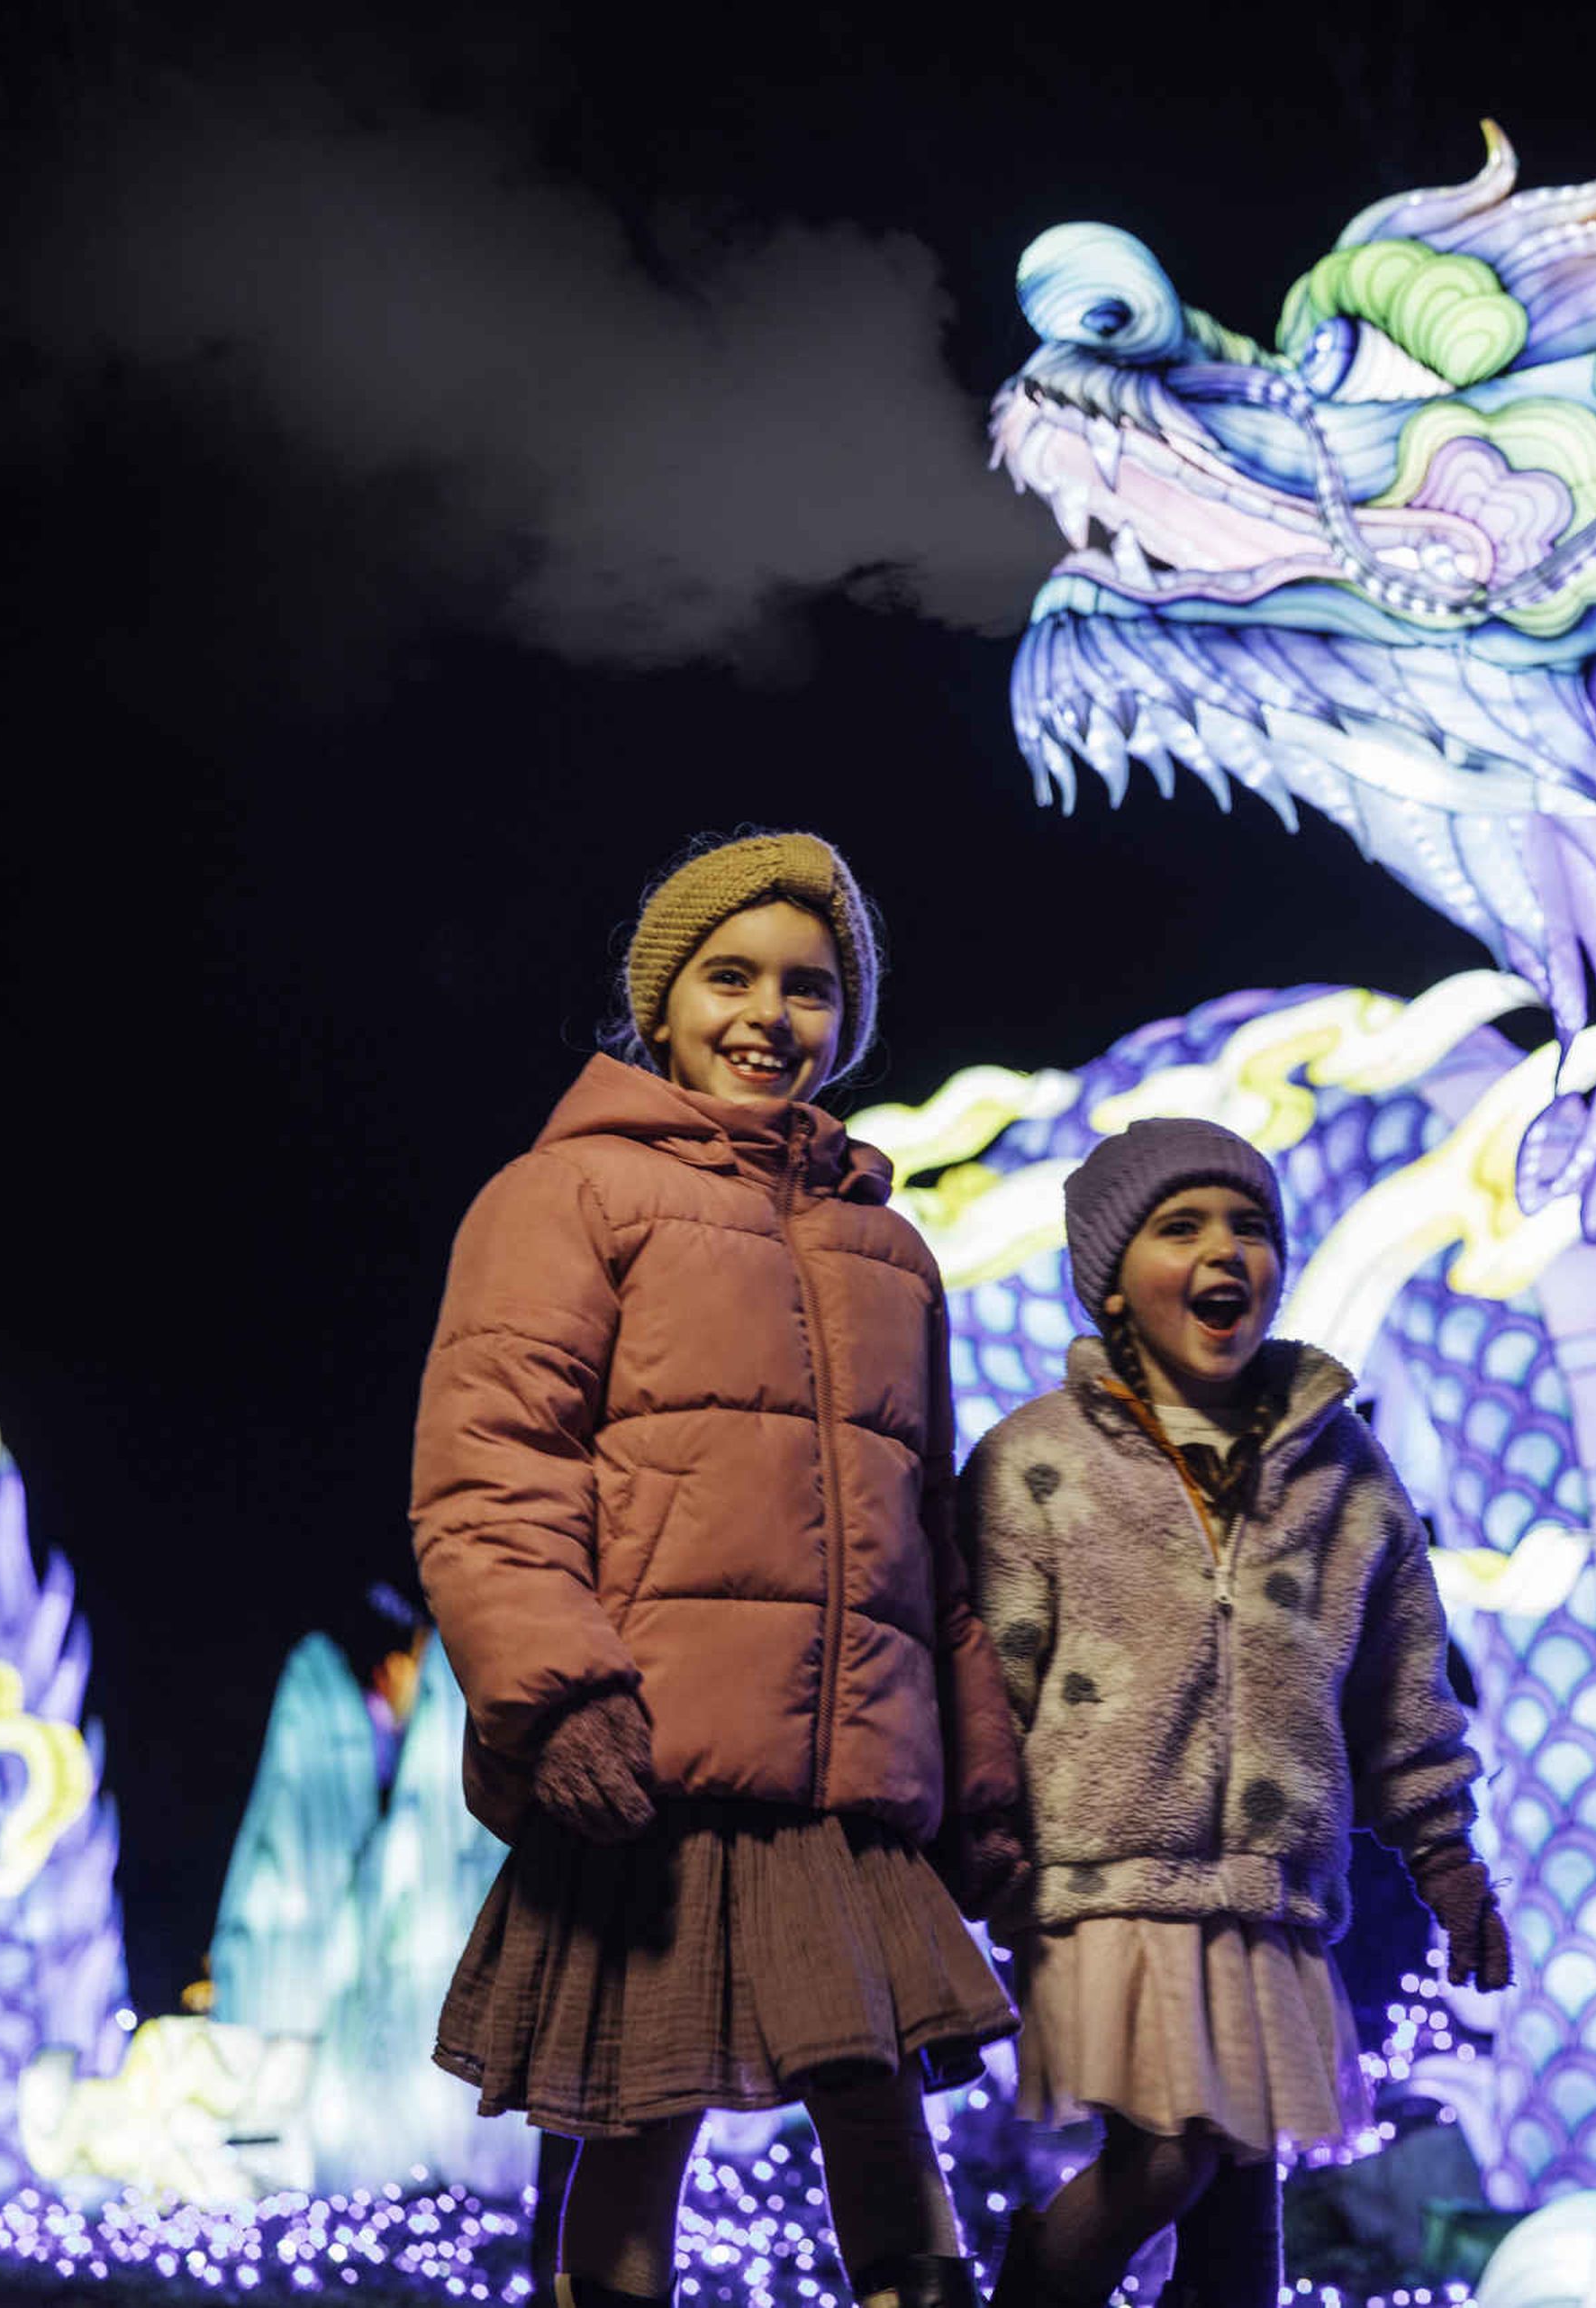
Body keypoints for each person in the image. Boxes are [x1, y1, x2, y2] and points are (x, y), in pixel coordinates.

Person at [411, 831, 1026, 2308]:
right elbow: (493, 1467)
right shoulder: (567, 1195)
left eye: (808, 986)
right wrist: (559, 1696)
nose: (768, 1013)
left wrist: (985, 1785)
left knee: (877, 2099)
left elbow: (929, 1543)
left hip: (848, 1787)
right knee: (639, 2113)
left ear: (845, 1019)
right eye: (729, 976)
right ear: (663, 1002)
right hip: (657, 1757)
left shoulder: (890, 1252)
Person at [962, 1117, 1515, 2308]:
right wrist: (983, 1845)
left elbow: (1402, 1682)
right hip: (1105, 1877)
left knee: (1239, 2202)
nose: (1225, 1248)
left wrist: (1448, 1860)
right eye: (1182, 1226)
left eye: (1250, 1225)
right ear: (1114, 1281)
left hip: (1271, 1888)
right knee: (1171, 2154)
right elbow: (986, 1675)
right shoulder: (1035, 1460)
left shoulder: (1340, 1466)